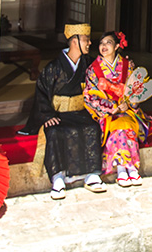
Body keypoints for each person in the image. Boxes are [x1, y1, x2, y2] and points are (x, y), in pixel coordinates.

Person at [22, 23, 106, 200]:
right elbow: (42, 91)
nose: (89, 43)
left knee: (92, 128)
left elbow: (102, 80)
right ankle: (58, 177)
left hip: (81, 110)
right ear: (74, 41)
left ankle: (91, 174)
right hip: (58, 111)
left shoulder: (89, 63)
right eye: (85, 40)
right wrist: (46, 114)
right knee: (53, 131)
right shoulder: (54, 67)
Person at [83, 30, 152, 186]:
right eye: (101, 43)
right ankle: (125, 168)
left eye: (108, 43)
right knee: (120, 126)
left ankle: (128, 169)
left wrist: (129, 104)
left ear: (116, 46)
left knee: (127, 123)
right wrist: (113, 107)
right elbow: (89, 96)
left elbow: (135, 91)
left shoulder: (128, 65)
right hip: (105, 112)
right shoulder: (92, 69)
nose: (104, 46)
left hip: (126, 109)